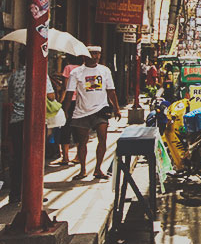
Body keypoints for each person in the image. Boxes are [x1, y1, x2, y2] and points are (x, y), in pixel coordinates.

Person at [7, 48, 58, 203]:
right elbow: (51, 96)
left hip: (16, 120)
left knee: (18, 157)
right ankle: (34, 192)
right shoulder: (40, 74)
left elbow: (11, 95)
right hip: (34, 121)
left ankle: (16, 193)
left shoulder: (14, 76)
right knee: (35, 155)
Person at [64, 44, 120, 180]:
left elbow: (111, 91)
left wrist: (117, 108)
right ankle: (83, 170)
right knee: (82, 142)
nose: (95, 57)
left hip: (101, 110)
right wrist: (65, 111)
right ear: (85, 56)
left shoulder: (105, 71)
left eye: (97, 54)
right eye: (92, 54)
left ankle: (98, 169)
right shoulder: (76, 73)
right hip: (81, 111)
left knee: (102, 138)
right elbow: (69, 93)